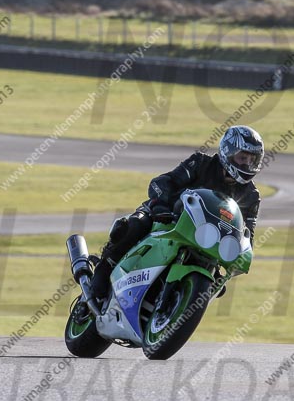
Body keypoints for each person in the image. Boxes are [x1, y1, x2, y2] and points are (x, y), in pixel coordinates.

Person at [89, 125, 264, 300]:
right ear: (228, 152)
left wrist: (239, 256)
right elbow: (162, 182)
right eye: (243, 158)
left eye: (252, 160)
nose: (247, 164)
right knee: (135, 225)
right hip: (169, 218)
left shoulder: (251, 196)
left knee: (215, 285)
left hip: (206, 242)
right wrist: (161, 208)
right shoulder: (201, 163)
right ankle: (104, 267)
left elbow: (247, 234)